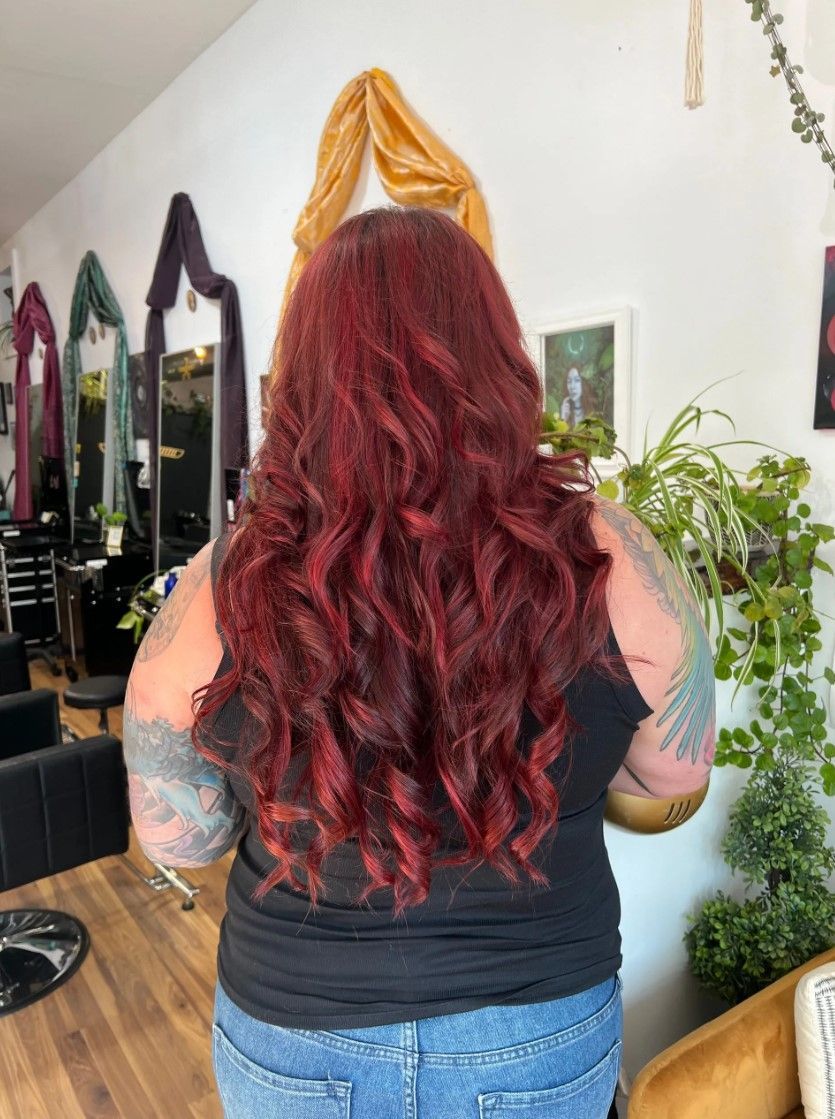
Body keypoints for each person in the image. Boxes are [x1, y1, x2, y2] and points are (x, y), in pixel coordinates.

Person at [123, 207, 715, 1119]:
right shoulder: (617, 556)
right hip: (535, 1032)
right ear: (497, 354)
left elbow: (178, 838)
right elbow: (676, 770)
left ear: (304, 376)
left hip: (296, 1034)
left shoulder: (218, 583)